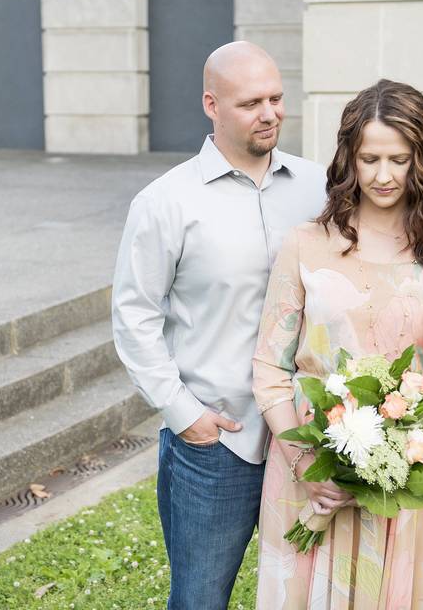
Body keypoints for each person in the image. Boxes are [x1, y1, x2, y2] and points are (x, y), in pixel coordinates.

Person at [111, 41, 329, 609]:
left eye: (277, 98)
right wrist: (184, 416)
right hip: (218, 443)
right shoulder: (165, 202)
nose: (270, 113)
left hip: (309, 435)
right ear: (211, 104)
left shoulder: (320, 187)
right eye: (250, 102)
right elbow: (134, 315)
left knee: (310, 596)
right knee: (200, 600)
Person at [252, 79, 423, 609]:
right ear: (348, 159)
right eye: (369, 158)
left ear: (421, 159)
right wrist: (308, 467)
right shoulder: (305, 245)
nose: (383, 175)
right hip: (309, 476)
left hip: (408, 485)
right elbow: (269, 370)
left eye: (398, 159)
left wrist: (403, 462)